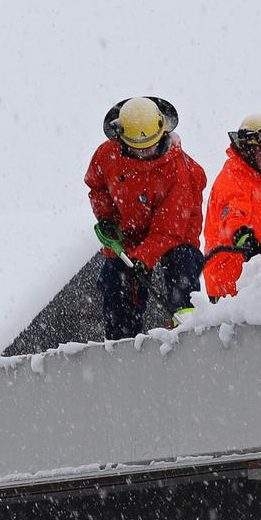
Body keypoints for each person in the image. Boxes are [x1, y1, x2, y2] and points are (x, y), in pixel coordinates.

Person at [84, 96, 208, 339]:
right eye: (137, 148)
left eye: (149, 146)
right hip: (127, 233)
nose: (144, 153)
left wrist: (144, 257)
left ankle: (187, 322)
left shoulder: (177, 170)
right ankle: (121, 339)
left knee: (181, 264)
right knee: (116, 279)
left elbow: (169, 229)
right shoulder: (106, 156)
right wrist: (106, 217)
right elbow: (96, 185)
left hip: (175, 235)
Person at [202, 115, 261, 301]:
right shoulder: (233, 178)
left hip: (258, 276)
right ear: (248, 148)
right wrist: (243, 237)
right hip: (229, 284)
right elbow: (232, 216)